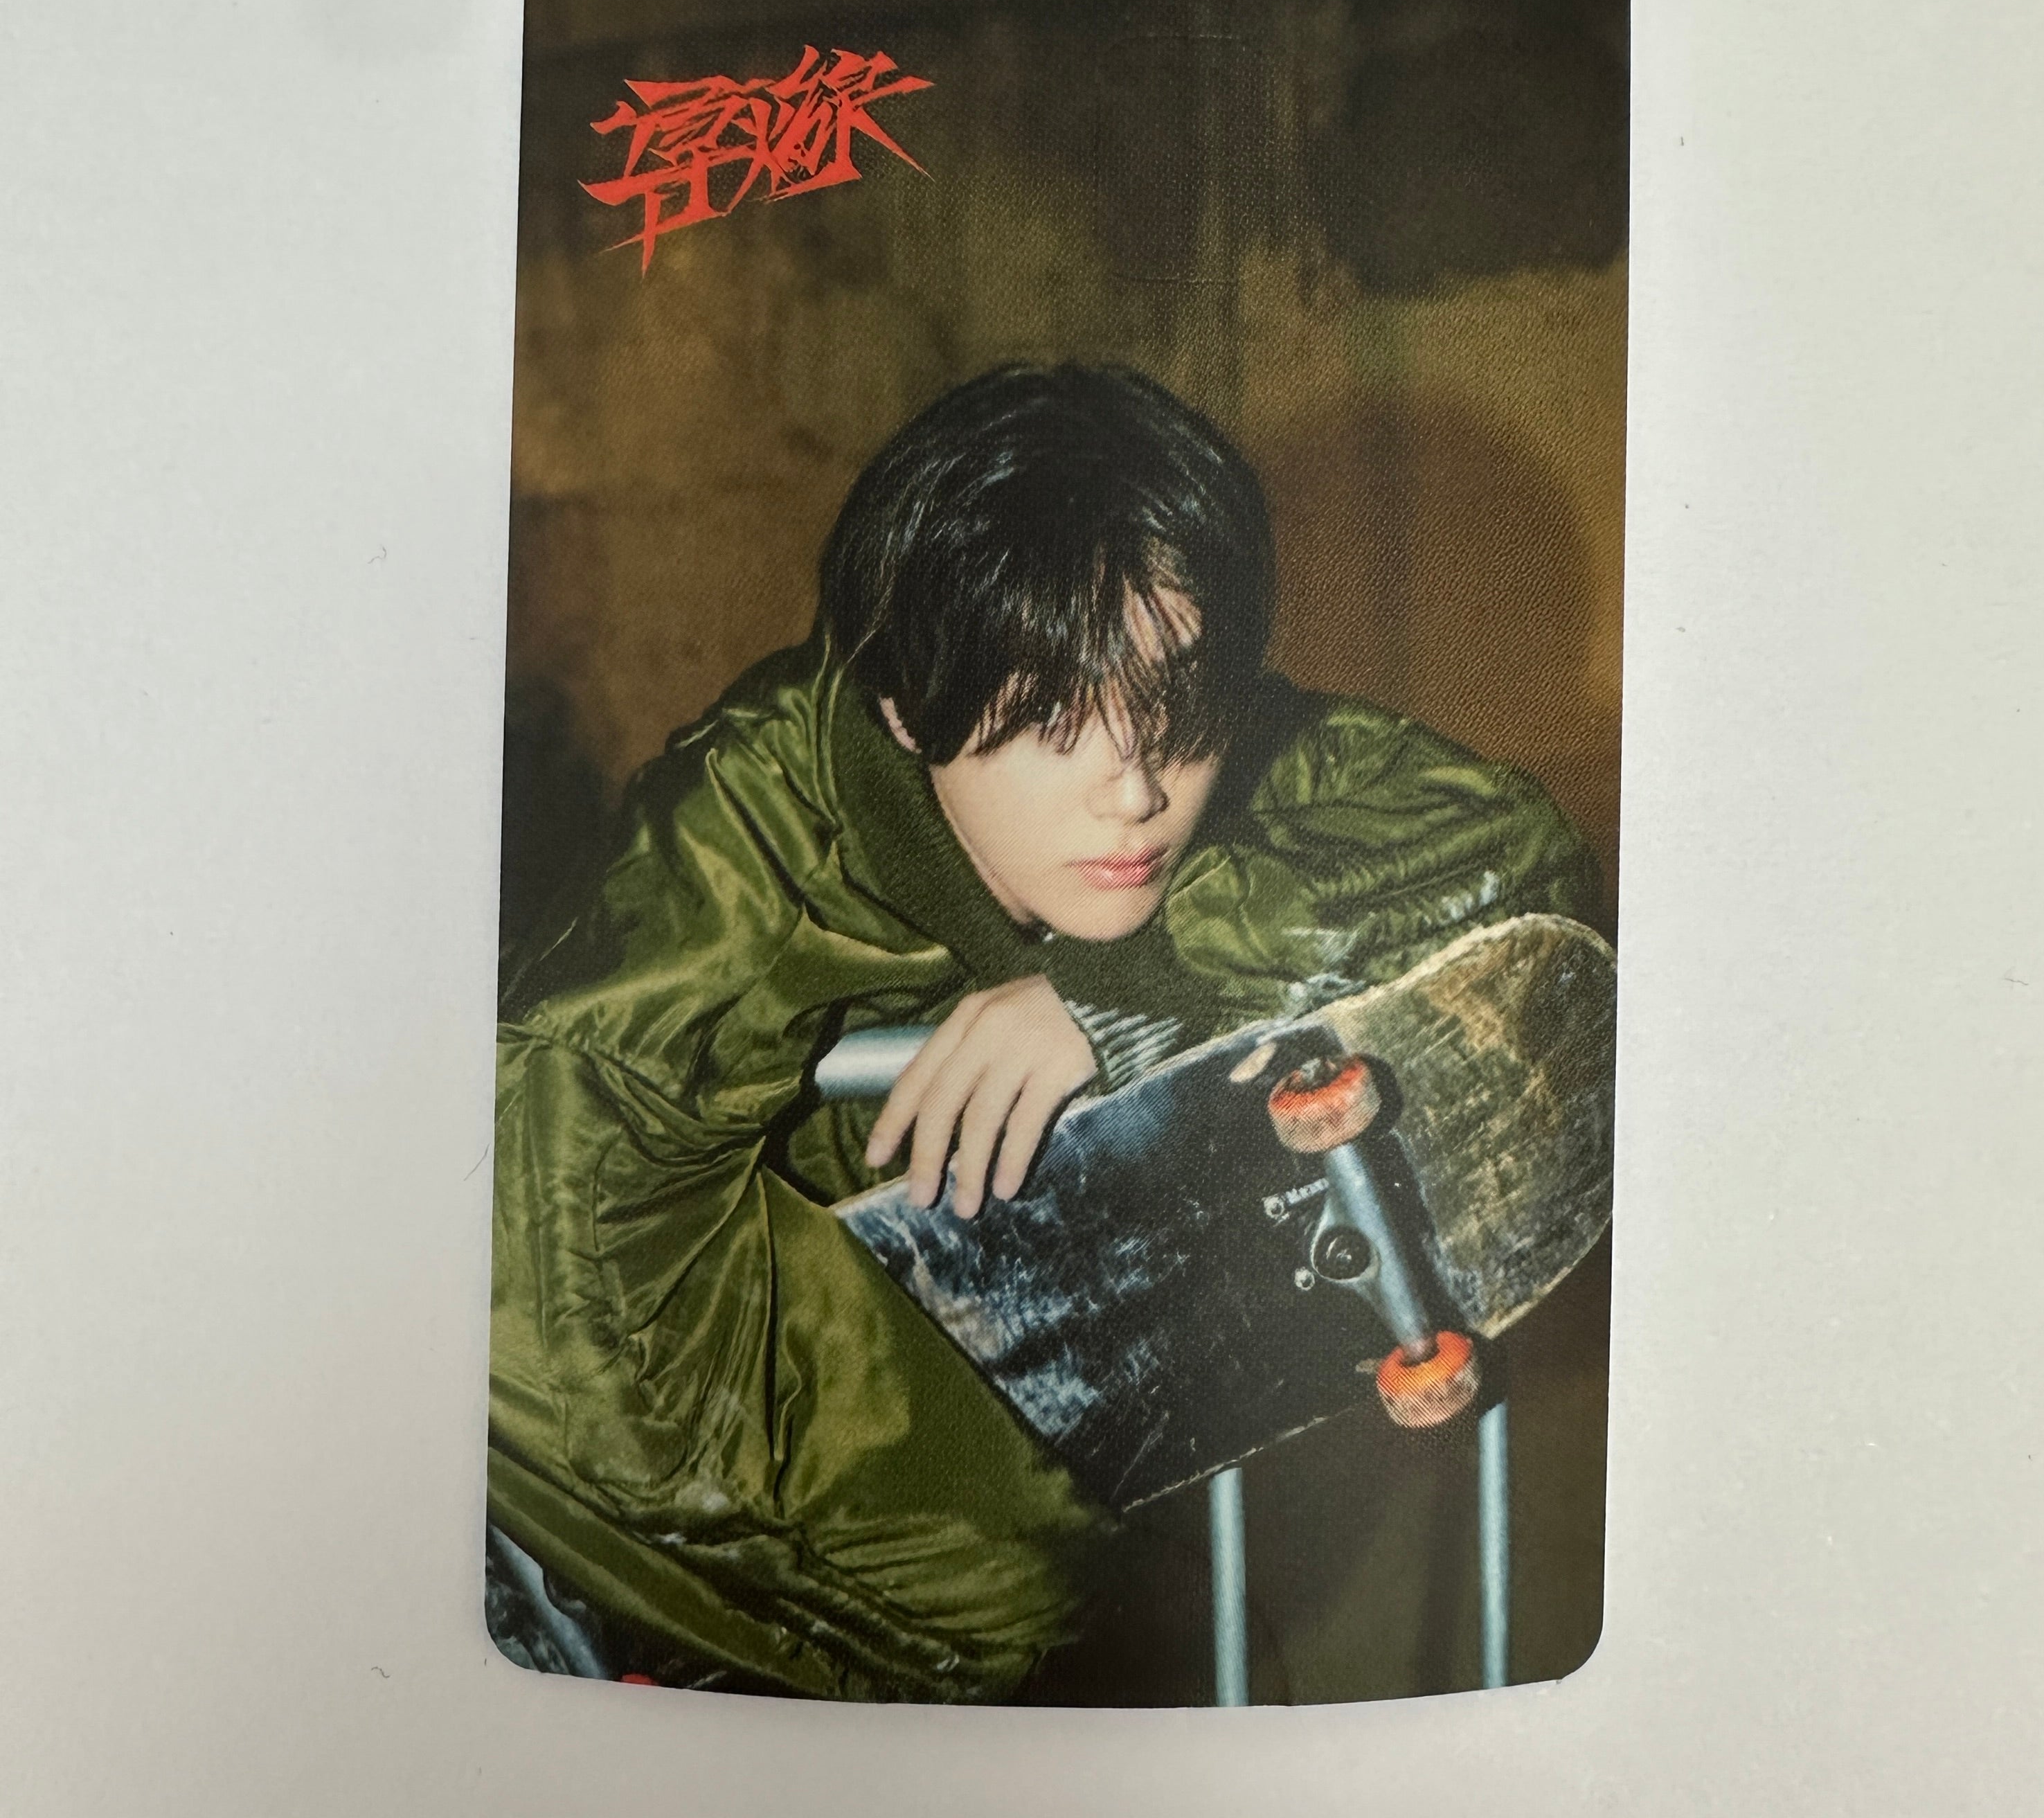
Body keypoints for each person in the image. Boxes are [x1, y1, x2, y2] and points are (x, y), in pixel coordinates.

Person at [486, 364, 1599, 1701]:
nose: (1135, 792)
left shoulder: (1182, 757)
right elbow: (552, 1292)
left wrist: (1120, 989)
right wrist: (1061, 1606)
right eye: (1058, 717)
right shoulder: (742, 850)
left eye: (1176, 702)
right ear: (906, 705)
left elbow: (1499, 838)